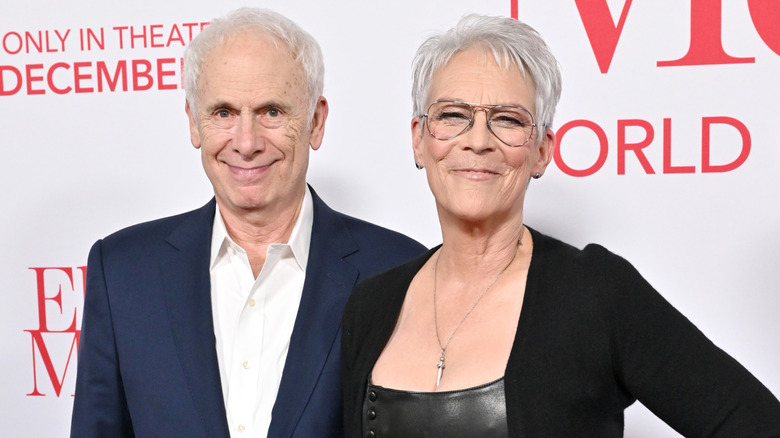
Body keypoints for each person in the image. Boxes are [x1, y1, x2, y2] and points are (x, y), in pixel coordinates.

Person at [341, 14, 780, 437]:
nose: (477, 141)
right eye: (452, 115)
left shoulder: (596, 293)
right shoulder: (371, 305)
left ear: (542, 151)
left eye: (509, 119)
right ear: (419, 138)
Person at [70, 7, 425, 438]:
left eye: (272, 112)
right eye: (222, 112)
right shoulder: (123, 271)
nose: (246, 142)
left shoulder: (400, 273)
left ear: (315, 121)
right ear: (193, 122)